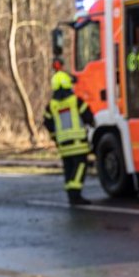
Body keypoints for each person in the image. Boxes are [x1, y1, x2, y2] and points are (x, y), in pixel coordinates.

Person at [44, 64, 95, 205]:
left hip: (63, 146)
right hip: (78, 144)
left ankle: (71, 195)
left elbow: (47, 123)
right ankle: (75, 195)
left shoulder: (51, 105)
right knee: (80, 167)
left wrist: (55, 137)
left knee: (69, 169)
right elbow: (88, 116)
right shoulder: (75, 101)